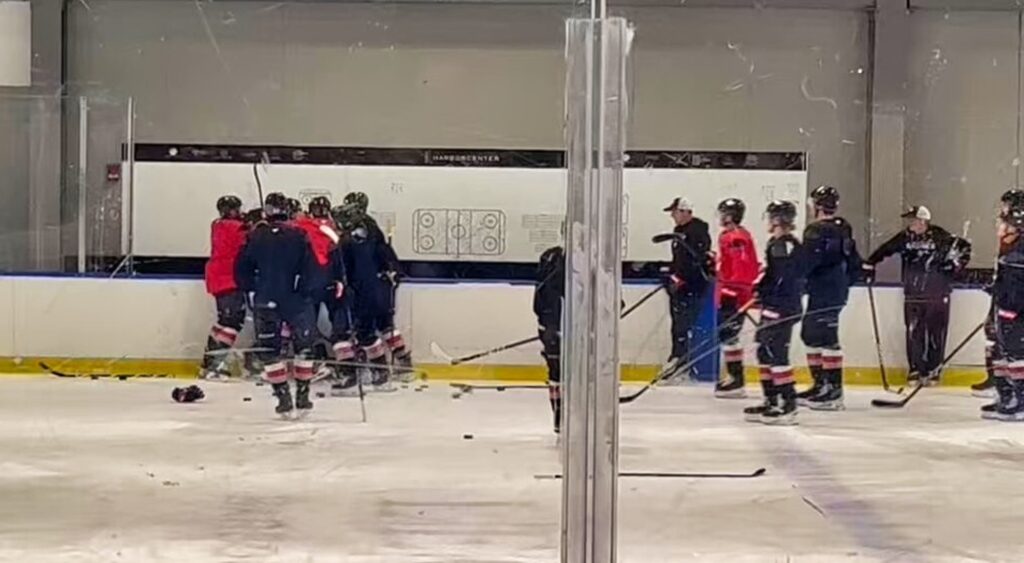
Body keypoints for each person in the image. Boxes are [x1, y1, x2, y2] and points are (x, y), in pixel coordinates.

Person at [863, 206, 971, 386]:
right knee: (914, 332)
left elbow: (964, 249)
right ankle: (916, 369)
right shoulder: (905, 238)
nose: (909, 224)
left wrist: (954, 266)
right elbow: (885, 249)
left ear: (923, 221)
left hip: (938, 293)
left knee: (936, 334)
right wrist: (870, 264)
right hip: (913, 294)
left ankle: (934, 369)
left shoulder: (941, 236)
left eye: (912, 220)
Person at [235, 192, 319, 417]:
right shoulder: (299, 235)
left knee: (269, 351)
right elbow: (311, 269)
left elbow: (241, 268)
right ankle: (302, 395)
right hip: (295, 300)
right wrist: (305, 292)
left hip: (265, 299)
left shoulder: (256, 237)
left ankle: (283, 397)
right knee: (304, 348)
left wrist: (251, 289)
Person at [798, 185, 861, 411]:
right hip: (834, 289)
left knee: (824, 335)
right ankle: (821, 385)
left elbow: (808, 262)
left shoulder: (815, 231)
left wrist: (794, 277)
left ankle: (833, 391)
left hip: (824, 289)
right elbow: (852, 258)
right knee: (811, 334)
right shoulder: (843, 228)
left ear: (817, 205)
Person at [333, 202, 407, 390]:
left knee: (361, 332)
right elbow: (387, 258)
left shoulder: (346, 242)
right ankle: (397, 365)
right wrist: (392, 273)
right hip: (379, 288)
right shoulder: (372, 232)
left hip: (362, 293)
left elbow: (344, 270)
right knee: (382, 326)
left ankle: (376, 372)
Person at [744, 200, 803, 425]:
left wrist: (765, 292)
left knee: (777, 354)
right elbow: (772, 274)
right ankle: (772, 399)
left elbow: (782, 279)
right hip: (774, 307)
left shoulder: (784, 245)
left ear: (777, 219)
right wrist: (759, 290)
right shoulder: (777, 243)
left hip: (782, 308)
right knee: (765, 352)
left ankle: (788, 404)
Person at [976, 188, 1024, 399]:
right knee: (996, 339)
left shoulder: (1019, 245)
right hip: (1005, 298)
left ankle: (1017, 395)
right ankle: (1004, 391)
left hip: (1014, 302)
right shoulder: (1009, 241)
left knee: (1013, 347)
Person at [660, 197, 713, 381]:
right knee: (677, 325)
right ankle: (678, 359)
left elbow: (694, 261)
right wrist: (671, 275)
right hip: (680, 288)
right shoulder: (678, 231)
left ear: (684, 212)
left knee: (684, 325)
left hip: (693, 287)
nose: (673, 216)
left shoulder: (698, 231)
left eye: (674, 212)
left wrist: (681, 277)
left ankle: (683, 365)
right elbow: (679, 260)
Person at [714, 198, 760, 399]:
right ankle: (734, 376)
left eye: (724, 212)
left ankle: (737, 379)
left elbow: (742, 268)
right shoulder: (729, 236)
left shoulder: (736, 238)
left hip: (734, 294)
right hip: (729, 291)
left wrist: (732, 292)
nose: (721, 217)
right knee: (727, 335)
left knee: (729, 335)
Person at [200, 195, 248, 380]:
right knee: (232, 320)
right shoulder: (233, 227)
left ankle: (211, 362)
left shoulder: (218, 224)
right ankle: (213, 365)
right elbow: (247, 237)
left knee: (226, 320)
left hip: (220, 278)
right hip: (228, 278)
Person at [990, 206, 1024, 421]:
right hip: (1007, 309)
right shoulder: (1009, 248)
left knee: (1017, 355)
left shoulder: (1019, 251)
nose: (1000, 227)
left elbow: (1016, 286)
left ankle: (1021, 401)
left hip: (1016, 312)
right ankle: (1008, 396)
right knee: (1003, 352)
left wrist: (1012, 307)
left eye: (1005, 223)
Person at [533, 244, 565, 434]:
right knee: (555, 373)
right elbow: (540, 296)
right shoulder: (551, 259)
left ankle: (566, 415)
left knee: (565, 373)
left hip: (576, 331)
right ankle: (558, 417)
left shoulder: (589, 258)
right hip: (553, 329)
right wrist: (546, 326)